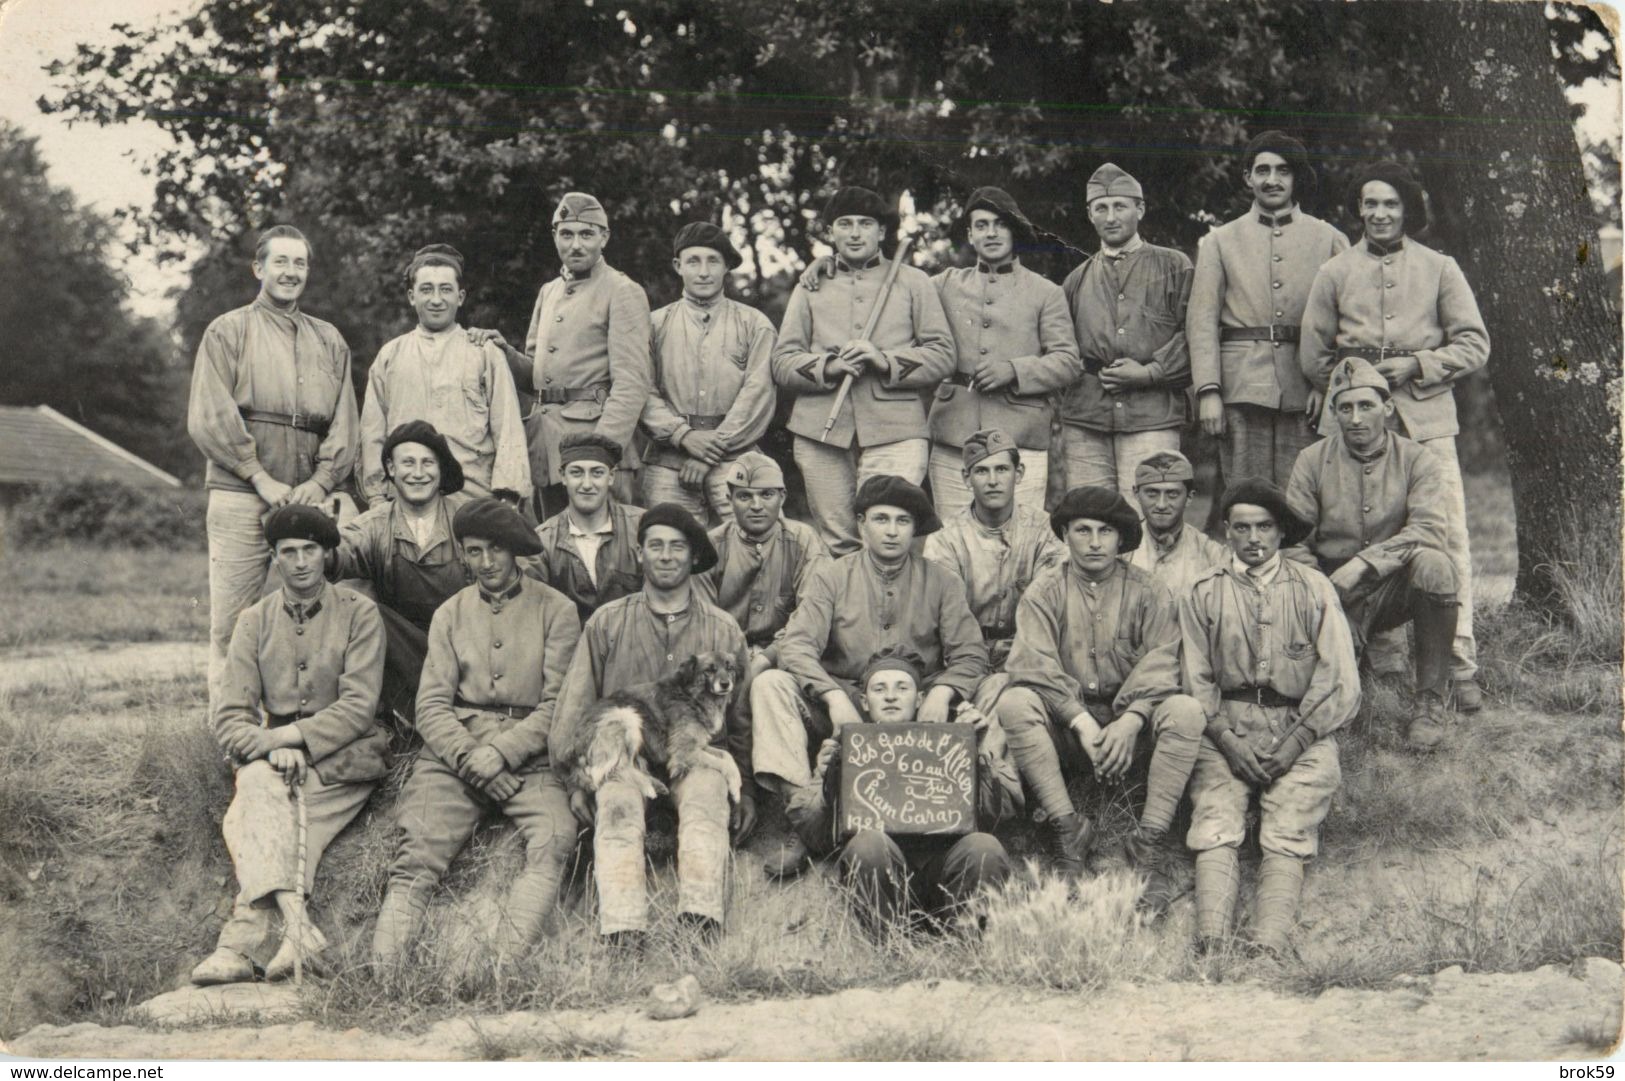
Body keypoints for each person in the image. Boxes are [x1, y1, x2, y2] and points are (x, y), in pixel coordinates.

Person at [1299, 160, 1490, 711]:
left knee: (1446, 540)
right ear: (1358, 209)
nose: (1380, 214)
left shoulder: (1439, 268)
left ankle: (1460, 666)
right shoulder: (1336, 271)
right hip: (1356, 418)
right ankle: (1384, 665)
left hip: (1426, 420)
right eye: (1370, 203)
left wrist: (1420, 365)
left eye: (1391, 204)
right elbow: (1313, 353)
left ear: (1408, 209)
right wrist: (1353, 381)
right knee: (1363, 531)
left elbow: (1475, 344)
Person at [371, 499, 582, 963]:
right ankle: (383, 975)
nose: (485, 563)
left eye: (495, 551)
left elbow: (558, 704)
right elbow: (430, 704)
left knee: (555, 838)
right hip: (454, 757)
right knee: (416, 856)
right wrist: (472, 759)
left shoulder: (558, 611)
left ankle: (502, 968)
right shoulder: (450, 612)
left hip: (530, 757)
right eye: (473, 551)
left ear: (515, 553)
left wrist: (503, 753)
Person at [751, 475, 989, 878]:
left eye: (902, 521)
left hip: (918, 713)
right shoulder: (832, 576)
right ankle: (806, 822)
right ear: (861, 525)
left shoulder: (941, 580)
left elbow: (971, 652)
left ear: (915, 531)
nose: (892, 531)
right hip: (849, 710)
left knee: (998, 689)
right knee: (769, 684)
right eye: (881, 519)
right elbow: (796, 644)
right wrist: (832, 695)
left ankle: (967, 813)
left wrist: (942, 692)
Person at [190, 505, 388, 985]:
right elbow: (231, 715)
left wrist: (287, 737)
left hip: (347, 753)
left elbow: (359, 706)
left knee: (259, 817)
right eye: (288, 553)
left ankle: (239, 944)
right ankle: (300, 931)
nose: (300, 562)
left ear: (326, 554)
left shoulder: (360, 614)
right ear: (275, 559)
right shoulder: (254, 620)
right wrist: (267, 747)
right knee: (259, 790)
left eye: (310, 550)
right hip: (273, 757)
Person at [994, 487, 1206, 911]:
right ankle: (1067, 828)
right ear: (1065, 535)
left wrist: (1132, 719)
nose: (1094, 542)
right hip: (1071, 734)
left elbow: (1164, 662)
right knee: (1015, 702)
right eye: (1082, 530)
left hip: (1131, 735)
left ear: (1121, 538)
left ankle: (1149, 842)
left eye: (1105, 531)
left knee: (1186, 711)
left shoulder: (1150, 591)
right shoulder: (1045, 590)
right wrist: (1079, 720)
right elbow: (1032, 663)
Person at [551, 504, 753, 941]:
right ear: (639, 553)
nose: (665, 556)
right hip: (628, 759)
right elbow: (575, 712)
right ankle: (622, 931)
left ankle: (701, 923)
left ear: (694, 557)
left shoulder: (723, 630)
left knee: (705, 796)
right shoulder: (606, 622)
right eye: (655, 545)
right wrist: (574, 783)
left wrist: (746, 788)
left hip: (691, 758)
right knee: (617, 807)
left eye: (677, 547)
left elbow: (738, 721)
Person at [1181, 479, 1359, 957]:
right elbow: (1193, 679)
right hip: (1224, 726)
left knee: (1292, 817)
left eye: (1264, 527)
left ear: (1281, 533)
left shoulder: (1313, 588)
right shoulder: (1203, 591)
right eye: (1241, 528)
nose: (1253, 538)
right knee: (1216, 812)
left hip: (1300, 724)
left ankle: (1269, 943)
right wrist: (1224, 736)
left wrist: (1297, 743)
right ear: (1225, 533)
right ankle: (1212, 939)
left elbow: (1338, 678)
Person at [187, 224, 359, 709]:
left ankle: (310, 728)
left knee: (320, 613)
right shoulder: (228, 330)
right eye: (280, 262)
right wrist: (258, 476)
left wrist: (322, 480)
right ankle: (231, 736)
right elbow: (209, 416)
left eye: (299, 263)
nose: (290, 272)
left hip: (310, 496)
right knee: (232, 622)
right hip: (243, 494)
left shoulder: (329, 340)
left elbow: (346, 423)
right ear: (259, 268)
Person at [771, 186, 955, 555]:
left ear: (882, 233)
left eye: (865, 224)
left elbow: (942, 355)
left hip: (897, 429)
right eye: (845, 223)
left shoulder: (913, 282)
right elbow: (782, 361)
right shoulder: (811, 285)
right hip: (819, 430)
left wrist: (883, 359)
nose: (855, 232)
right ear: (831, 232)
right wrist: (830, 366)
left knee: (887, 539)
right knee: (839, 544)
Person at [1286, 357, 1459, 750]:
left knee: (1435, 566)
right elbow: (1294, 540)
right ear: (1333, 413)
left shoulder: (1417, 459)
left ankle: (1429, 701)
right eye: (1345, 408)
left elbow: (1429, 530)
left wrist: (1366, 563)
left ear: (1388, 408)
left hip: (1392, 585)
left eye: (1366, 406)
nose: (1356, 418)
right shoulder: (1311, 461)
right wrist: (1322, 590)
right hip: (1332, 589)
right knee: (1331, 702)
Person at [785, 647, 1012, 937]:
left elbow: (1000, 815)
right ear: (865, 702)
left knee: (984, 847)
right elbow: (813, 832)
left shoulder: (951, 741)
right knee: (867, 844)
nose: (891, 696)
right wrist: (830, 780)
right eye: (880, 689)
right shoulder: (850, 749)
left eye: (901, 688)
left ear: (919, 700)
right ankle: (887, 949)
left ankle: (967, 949)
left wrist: (977, 756)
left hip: (945, 868)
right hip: (882, 874)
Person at [1187, 131, 1350, 489]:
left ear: (1296, 178)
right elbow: (1201, 322)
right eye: (1262, 170)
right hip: (1240, 388)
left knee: (1303, 498)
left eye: (1283, 171)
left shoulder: (1330, 239)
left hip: (1305, 391)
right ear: (1248, 177)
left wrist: (1326, 385)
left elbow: (1346, 321)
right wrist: (1208, 391)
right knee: (1247, 499)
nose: (1272, 180)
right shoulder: (1220, 241)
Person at [475, 192, 652, 516]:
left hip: (596, 448)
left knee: (608, 551)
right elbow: (539, 378)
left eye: (586, 234)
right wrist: (505, 354)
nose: (576, 244)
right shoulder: (549, 292)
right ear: (555, 236)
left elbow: (632, 384)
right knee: (554, 552)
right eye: (567, 234)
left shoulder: (622, 291)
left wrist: (600, 453)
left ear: (604, 237)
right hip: (547, 450)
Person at [1058, 164, 1194, 495]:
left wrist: (1151, 372)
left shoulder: (1175, 266)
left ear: (1140, 209)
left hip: (1153, 416)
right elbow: (1060, 346)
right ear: (1090, 214)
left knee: (1150, 515)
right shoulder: (1076, 280)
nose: (1111, 217)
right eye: (1101, 208)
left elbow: (1197, 335)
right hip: (1086, 419)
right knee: (1092, 516)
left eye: (1120, 206)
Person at [358, 244, 529, 506]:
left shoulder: (484, 352)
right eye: (426, 289)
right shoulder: (390, 356)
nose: (436, 300)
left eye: (445, 289)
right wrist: (376, 496)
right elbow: (372, 433)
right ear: (411, 296)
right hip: (406, 501)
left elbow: (508, 428)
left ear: (460, 297)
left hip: (473, 499)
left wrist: (508, 496)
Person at [327, 420, 471, 722]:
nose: (418, 473)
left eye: (428, 463)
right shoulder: (375, 524)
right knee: (363, 611)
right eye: (408, 463)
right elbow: (340, 555)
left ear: (441, 469)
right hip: (403, 653)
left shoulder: (467, 519)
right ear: (391, 469)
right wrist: (320, 539)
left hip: (465, 650)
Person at [641, 222, 778, 524]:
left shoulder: (755, 324)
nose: (703, 271)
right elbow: (643, 392)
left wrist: (708, 453)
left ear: (727, 266)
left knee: (750, 548)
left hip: (736, 458)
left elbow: (758, 394)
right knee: (670, 547)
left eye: (713, 261)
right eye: (693, 261)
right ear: (678, 266)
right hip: (668, 460)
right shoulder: (653, 325)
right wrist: (683, 435)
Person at [922, 428, 1066, 674]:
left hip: (1028, 651)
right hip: (963, 654)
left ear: (1018, 473)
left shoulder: (1045, 530)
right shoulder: (945, 537)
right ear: (967, 478)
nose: (992, 481)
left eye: (1001, 469)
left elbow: (1047, 608)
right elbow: (949, 617)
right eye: (981, 471)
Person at [694, 451, 830, 685]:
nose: (756, 506)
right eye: (745, 496)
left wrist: (766, 659)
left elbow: (812, 616)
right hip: (723, 662)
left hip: (786, 658)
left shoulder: (803, 541)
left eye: (766, 495)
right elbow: (703, 623)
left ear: (782, 497)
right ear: (729, 499)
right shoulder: (709, 547)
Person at [527, 433, 646, 626]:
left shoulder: (641, 528)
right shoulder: (542, 541)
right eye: (577, 473)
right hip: (570, 648)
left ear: (611, 477)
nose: (587, 484)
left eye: (597, 473)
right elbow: (536, 616)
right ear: (563, 477)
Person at [1126, 450, 1227, 598]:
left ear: (1189, 497)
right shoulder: (1122, 551)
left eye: (1172, 494)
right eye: (1152, 493)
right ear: (1136, 494)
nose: (1161, 505)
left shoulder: (1212, 555)